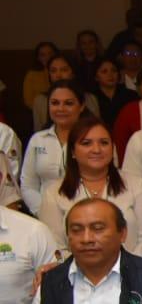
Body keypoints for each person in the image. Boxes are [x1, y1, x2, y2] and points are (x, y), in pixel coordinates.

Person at [39, 115, 142, 255]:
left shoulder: (136, 184)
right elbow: (55, 247)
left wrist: (128, 269)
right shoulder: (54, 193)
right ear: (72, 152)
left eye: (104, 143)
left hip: (132, 271)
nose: (96, 149)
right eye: (86, 143)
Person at [21, 80, 87, 215]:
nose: (61, 109)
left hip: (86, 213)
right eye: (55, 103)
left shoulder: (95, 139)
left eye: (68, 103)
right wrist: (45, 212)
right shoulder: (37, 140)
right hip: (44, 215)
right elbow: (28, 185)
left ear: (81, 106)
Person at [91, 57, 138, 132]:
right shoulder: (91, 98)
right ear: (96, 77)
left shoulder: (131, 95)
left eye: (114, 71)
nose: (110, 75)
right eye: (104, 71)